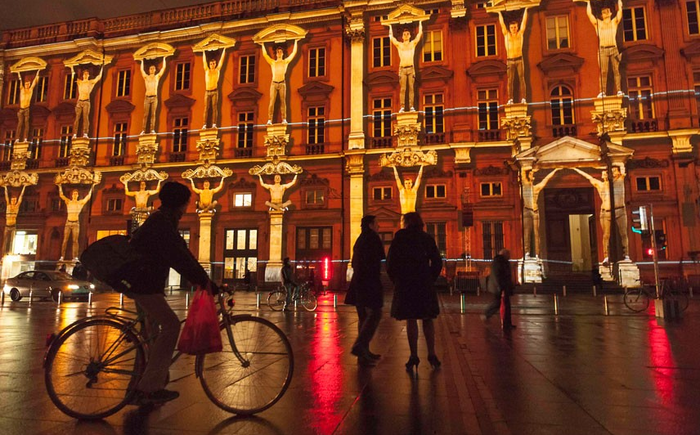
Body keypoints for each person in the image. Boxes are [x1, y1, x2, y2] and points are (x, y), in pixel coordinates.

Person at [127, 181, 218, 406]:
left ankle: (139, 388)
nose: (187, 207)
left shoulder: (162, 220)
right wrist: (204, 281)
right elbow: (179, 257)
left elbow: (182, 254)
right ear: (180, 204)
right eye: (187, 203)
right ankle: (149, 387)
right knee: (171, 326)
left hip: (142, 282)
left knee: (151, 336)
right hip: (143, 283)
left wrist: (203, 280)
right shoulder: (162, 224)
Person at [387, 212, 443, 372]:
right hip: (424, 283)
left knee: (411, 319)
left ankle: (413, 355)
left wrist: (397, 280)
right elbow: (437, 261)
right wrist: (430, 277)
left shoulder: (400, 238)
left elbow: (390, 263)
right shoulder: (426, 238)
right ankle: (432, 354)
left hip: (406, 284)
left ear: (406, 223)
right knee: (428, 319)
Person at [345, 215, 385, 365]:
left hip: (358, 281)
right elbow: (379, 259)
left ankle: (364, 353)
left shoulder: (360, 238)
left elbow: (355, 262)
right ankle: (360, 346)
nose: (379, 226)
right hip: (369, 281)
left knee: (363, 316)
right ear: (370, 224)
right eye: (377, 223)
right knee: (375, 313)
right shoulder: (372, 238)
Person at [573, 167, 628, 264]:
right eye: (606, 172)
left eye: (614, 171)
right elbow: (588, 177)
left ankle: (626, 255)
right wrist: (575, 168)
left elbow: (621, 165)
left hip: (620, 211)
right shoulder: (601, 185)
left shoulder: (620, 181)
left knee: (623, 233)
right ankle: (606, 256)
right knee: (606, 235)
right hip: (605, 212)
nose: (609, 173)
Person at [585, 0, 623, 97]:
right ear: (602, 15)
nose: (606, 12)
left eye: (607, 11)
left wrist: (619, 1)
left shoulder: (614, 22)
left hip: (614, 49)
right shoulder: (599, 24)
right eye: (604, 12)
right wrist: (588, 2)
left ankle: (619, 90)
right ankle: (602, 92)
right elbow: (590, 15)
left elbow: (620, 12)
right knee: (603, 72)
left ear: (610, 13)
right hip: (603, 50)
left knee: (616, 70)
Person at [522, 168, 560, 258]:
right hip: (527, 210)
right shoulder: (524, 186)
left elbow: (546, 179)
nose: (532, 177)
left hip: (535, 211)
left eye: (533, 175)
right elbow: (523, 173)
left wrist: (555, 169)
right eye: (531, 175)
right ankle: (526, 252)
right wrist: (531, 168)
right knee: (527, 233)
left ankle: (537, 254)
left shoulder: (536, 188)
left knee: (536, 234)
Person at [259, 41, 298, 124]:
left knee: (283, 101)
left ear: (282, 53)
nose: (279, 53)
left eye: (280, 52)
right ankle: (269, 119)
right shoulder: (273, 62)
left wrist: (296, 42)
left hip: (282, 83)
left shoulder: (285, 62)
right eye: (278, 52)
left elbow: (294, 53)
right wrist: (262, 45)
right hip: (274, 83)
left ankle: (284, 119)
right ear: (276, 54)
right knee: (272, 101)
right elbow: (265, 55)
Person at [389, 22, 423, 112]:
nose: (406, 35)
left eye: (408, 34)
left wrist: (420, 23)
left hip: (411, 68)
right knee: (403, 89)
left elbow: (419, 35)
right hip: (403, 69)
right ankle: (402, 107)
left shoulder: (412, 44)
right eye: (404, 34)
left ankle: (411, 106)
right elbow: (391, 38)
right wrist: (390, 26)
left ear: (410, 36)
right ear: (402, 36)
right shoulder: (400, 45)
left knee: (411, 88)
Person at [498, 8, 528, 104]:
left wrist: (526, 9)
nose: (514, 29)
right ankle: (510, 99)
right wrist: (499, 12)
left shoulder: (520, 34)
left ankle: (523, 98)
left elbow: (524, 22)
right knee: (510, 81)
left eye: (515, 27)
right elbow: (502, 24)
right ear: (509, 28)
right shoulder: (507, 35)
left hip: (519, 59)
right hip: (510, 60)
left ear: (517, 27)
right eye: (512, 27)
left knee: (521, 79)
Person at [58, 184, 94, 261]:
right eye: (73, 194)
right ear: (72, 195)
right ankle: (62, 256)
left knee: (75, 241)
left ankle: (75, 257)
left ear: (77, 195)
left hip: (76, 223)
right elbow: (61, 195)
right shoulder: (68, 202)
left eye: (76, 194)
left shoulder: (80, 203)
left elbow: (88, 197)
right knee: (65, 240)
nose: (74, 195)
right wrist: (59, 186)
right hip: (68, 223)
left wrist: (92, 187)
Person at [482, 249, 516, 329]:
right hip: (500, 287)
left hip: (501, 287)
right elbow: (498, 276)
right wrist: (501, 287)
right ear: (505, 254)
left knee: (503, 304)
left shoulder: (500, 261)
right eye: (508, 254)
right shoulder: (500, 262)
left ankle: (507, 323)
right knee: (500, 304)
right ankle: (487, 315)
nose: (510, 256)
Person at [73, 67, 104, 138]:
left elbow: (98, 77)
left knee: (85, 118)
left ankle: (85, 133)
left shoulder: (90, 82)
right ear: (83, 75)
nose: (85, 75)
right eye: (84, 74)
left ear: (88, 75)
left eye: (87, 74)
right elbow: (73, 76)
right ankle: (75, 134)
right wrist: (72, 69)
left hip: (86, 101)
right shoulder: (79, 82)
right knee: (77, 118)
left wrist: (102, 68)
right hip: (79, 101)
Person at [140, 58, 166, 134]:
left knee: (153, 114)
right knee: (146, 114)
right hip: (147, 97)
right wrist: (141, 61)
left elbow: (163, 69)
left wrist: (164, 58)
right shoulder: (146, 77)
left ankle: (152, 129)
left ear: (155, 70)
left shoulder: (157, 77)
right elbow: (142, 70)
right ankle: (143, 130)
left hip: (154, 97)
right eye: (150, 68)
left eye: (153, 68)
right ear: (149, 70)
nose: (151, 70)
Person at [202, 48, 225, 129]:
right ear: (209, 64)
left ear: (215, 64)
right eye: (211, 63)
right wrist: (203, 51)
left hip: (214, 91)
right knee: (206, 108)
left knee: (214, 108)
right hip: (207, 91)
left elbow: (222, 60)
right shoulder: (207, 71)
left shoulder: (217, 70)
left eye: (214, 63)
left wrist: (224, 49)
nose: (212, 65)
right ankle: (204, 124)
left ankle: (214, 124)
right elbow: (204, 61)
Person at [16, 70, 39, 141]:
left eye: (28, 84)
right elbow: (20, 80)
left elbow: (35, 82)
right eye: (26, 84)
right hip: (21, 109)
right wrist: (19, 74)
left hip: (26, 109)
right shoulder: (22, 89)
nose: (27, 85)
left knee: (26, 123)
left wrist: (38, 73)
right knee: (20, 124)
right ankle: (17, 138)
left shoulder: (30, 90)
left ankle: (25, 138)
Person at [3, 185, 26, 254]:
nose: (14, 201)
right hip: (7, 225)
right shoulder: (8, 206)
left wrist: (24, 187)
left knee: (12, 241)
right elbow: (6, 196)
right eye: (12, 200)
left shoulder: (16, 207)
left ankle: (10, 253)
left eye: (15, 200)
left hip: (13, 225)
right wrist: (5, 188)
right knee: (5, 240)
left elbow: (20, 198)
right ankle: (3, 254)